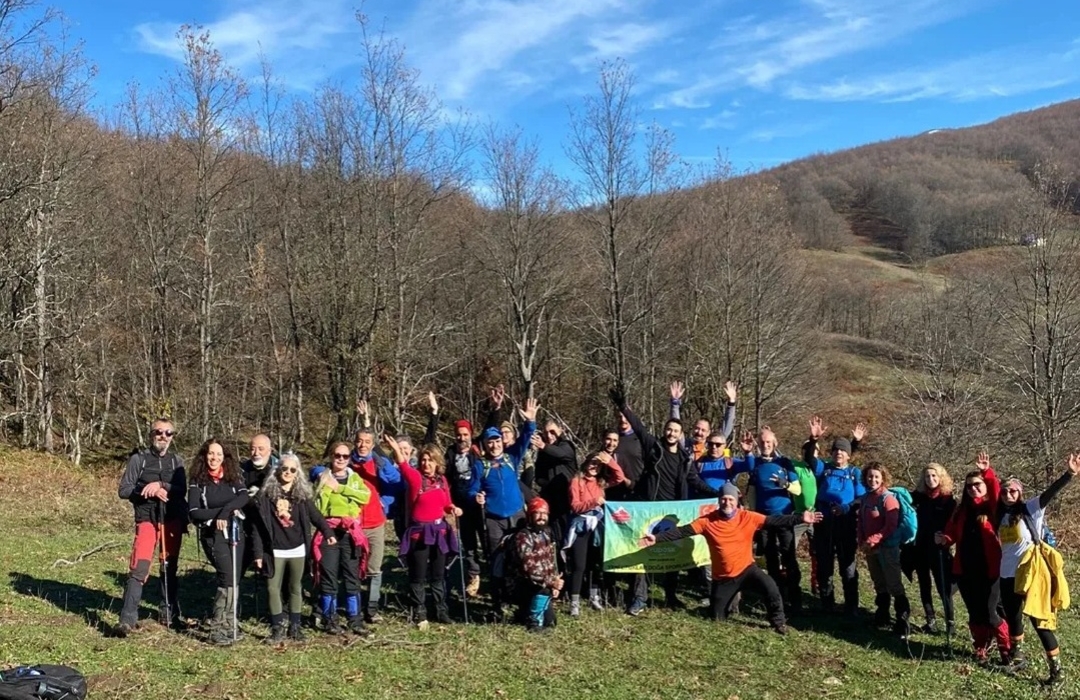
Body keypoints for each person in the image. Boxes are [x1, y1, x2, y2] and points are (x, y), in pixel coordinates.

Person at [640, 483, 823, 634]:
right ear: (719, 501)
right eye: (724, 499)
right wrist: (656, 538)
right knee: (717, 618)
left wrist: (801, 518)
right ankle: (723, 604)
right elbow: (682, 531)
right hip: (724, 578)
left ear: (737, 502)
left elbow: (775, 520)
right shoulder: (707, 521)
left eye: (731, 499)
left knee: (771, 587)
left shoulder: (748, 517)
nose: (727, 502)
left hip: (747, 570)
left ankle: (778, 623)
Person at [609, 387, 719, 615]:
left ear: (681, 435)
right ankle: (639, 598)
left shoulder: (684, 459)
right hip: (649, 508)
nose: (671, 433)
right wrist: (623, 407)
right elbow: (638, 427)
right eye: (669, 429)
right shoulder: (654, 447)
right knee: (645, 554)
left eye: (676, 431)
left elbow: (695, 482)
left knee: (673, 554)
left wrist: (717, 494)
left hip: (672, 510)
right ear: (664, 431)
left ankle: (670, 595)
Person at [996, 453, 1079, 684]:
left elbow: (1051, 493)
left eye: (1012, 491)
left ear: (1020, 492)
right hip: (1006, 574)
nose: (1008, 494)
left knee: (1039, 622)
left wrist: (1069, 474)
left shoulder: (1031, 508)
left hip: (1031, 574)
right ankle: (1018, 656)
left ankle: (1057, 672)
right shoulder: (999, 515)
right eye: (1004, 491)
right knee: (1013, 618)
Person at [935, 453, 1015, 668]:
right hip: (965, 568)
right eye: (969, 486)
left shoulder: (992, 508)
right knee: (974, 612)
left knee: (991, 612)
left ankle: (1006, 650)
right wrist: (944, 538)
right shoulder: (961, 510)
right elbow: (952, 533)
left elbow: (997, 491)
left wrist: (987, 473)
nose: (973, 489)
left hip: (990, 569)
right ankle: (981, 647)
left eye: (977, 484)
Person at [250, 452, 335, 643]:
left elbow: (317, 517)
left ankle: (295, 627)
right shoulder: (264, 497)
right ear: (277, 470)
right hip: (274, 550)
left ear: (297, 474)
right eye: (284, 468)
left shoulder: (302, 497)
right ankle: (277, 627)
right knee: (273, 587)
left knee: (295, 587)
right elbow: (256, 528)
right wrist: (257, 553)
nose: (288, 472)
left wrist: (328, 533)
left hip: (297, 548)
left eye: (292, 470)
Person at [468, 397, 539, 619]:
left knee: (522, 558)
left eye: (497, 440)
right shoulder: (481, 465)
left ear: (502, 441)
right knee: (497, 560)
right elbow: (472, 489)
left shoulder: (512, 458)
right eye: (490, 442)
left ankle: (521, 602)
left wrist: (531, 421)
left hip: (517, 516)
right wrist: (476, 497)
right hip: (494, 519)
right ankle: (497, 604)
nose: (494, 444)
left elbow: (527, 437)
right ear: (485, 445)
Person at [116, 418, 187, 636]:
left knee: (169, 567)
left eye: (168, 433)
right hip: (147, 518)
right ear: (151, 434)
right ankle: (127, 619)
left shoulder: (177, 461)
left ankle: (169, 615)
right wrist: (146, 490)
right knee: (139, 567)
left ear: (172, 437)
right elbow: (124, 490)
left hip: (171, 520)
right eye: (158, 432)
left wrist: (162, 486)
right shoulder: (139, 460)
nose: (163, 436)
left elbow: (182, 488)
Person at [382, 435, 461, 630]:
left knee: (438, 574)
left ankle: (441, 610)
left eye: (430, 460)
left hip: (439, 532)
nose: (426, 463)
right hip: (419, 534)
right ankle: (419, 611)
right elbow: (404, 466)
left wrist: (453, 509)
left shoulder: (442, 481)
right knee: (418, 575)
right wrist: (396, 449)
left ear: (437, 462)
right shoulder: (417, 478)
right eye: (424, 460)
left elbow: (446, 502)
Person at [187, 438, 249, 645]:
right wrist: (222, 514)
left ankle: (230, 623)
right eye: (211, 453)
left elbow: (244, 496)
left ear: (225, 458)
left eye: (219, 454)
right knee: (226, 578)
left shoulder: (232, 477)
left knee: (235, 578)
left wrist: (225, 512)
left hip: (235, 532)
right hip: (213, 535)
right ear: (205, 455)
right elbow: (195, 512)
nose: (215, 458)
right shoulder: (197, 481)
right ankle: (216, 627)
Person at [804, 417, 865, 614]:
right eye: (836, 450)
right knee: (824, 564)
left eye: (843, 451)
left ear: (849, 455)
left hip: (846, 525)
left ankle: (851, 606)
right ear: (831, 453)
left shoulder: (855, 473)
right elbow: (810, 460)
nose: (839, 453)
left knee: (848, 567)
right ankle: (827, 603)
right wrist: (813, 440)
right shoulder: (825, 469)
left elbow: (860, 499)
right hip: (824, 523)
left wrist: (846, 508)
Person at [312, 441, 372, 635]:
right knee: (329, 575)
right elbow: (320, 508)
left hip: (351, 533)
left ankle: (354, 618)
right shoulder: (322, 478)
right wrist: (328, 487)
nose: (341, 459)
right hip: (329, 532)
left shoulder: (355, 479)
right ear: (331, 456)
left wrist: (340, 489)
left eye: (345, 456)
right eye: (337, 455)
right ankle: (330, 618)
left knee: (352, 575)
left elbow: (365, 497)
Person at [746, 427, 804, 613]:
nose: (765, 445)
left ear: (775, 443)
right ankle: (776, 597)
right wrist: (752, 514)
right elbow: (752, 492)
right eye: (762, 442)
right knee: (770, 557)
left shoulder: (785, 463)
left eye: (769, 442)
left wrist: (784, 484)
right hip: (764, 518)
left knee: (789, 556)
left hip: (784, 516)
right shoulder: (755, 463)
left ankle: (795, 599)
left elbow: (797, 490)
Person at [348, 425, 402, 624]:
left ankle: (372, 608)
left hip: (374, 523)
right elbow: (321, 469)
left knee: (374, 567)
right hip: (352, 525)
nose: (362, 445)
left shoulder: (379, 463)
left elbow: (395, 484)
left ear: (373, 444)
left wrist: (384, 504)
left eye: (367, 442)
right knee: (352, 566)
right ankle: (353, 607)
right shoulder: (346, 461)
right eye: (359, 441)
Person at [565, 450, 625, 616]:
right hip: (581, 527)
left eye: (598, 465)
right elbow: (575, 506)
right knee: (579, 565)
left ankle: (594, 596)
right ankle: (574, 602)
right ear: (585, 463)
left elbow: (619, 477)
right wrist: (593, 502)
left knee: (595, 563)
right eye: (592, 463)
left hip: (597, 527)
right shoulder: (576, 481)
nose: (594, 467)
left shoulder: (601, 483)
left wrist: (610, 461)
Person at [858, 463, 912, 638]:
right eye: (869, 476)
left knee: (894, 584)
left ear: (883, 479)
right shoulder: (866, 498)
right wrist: (862, 541)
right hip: (870, 548)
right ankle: (882, 615)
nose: (872, 480)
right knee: (879, 583)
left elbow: (891, 525)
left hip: (888, 548)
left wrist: (874, 540)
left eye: (876, 477)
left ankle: (902, 620)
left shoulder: (888, 499)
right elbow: (861, 522)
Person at [908, 463, 956, 635]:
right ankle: (931, 621)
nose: (931, 479)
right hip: (920, 546)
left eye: (934, 476)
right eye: (927, 476)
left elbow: (953, 525)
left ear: (941, 477)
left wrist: (945, 538)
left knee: (944, 588)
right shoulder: (918, 497)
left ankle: (950, 624)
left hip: (939, 548)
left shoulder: (948, 500)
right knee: (924, 584)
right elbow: (900, 496)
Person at [509, 497, 563, 633]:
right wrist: (551, 583)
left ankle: (523, 614)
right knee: (542, 590)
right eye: (537, 513)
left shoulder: (546, 534)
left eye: (544, 514)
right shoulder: (523, 536)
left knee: (551, 623)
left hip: (541, 584)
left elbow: (551, 562)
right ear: (530, 515)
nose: (541, 517)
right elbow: (529, 569)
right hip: (521, 584)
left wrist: (556, 580)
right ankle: (533, 621)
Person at [532, 420, 577, 567]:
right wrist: (546, 484)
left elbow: (561, 454)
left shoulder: (567, 446)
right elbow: (538, 476)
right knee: (555, 539)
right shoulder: (543, 453)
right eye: (546, 433)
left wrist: (544, 446)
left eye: (552, 431)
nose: (549, 435)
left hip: (568, 502)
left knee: (570, 539)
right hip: (551, 501)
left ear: (561, 430)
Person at [669, 380, 737, 460]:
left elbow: (727, 426)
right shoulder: (685, 445)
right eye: (697, 428)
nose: (699, 432)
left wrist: (731, 403)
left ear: (708, 433)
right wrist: (675, 403)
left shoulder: (713, 446)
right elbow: (676, 426)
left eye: (703, 430)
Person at [240, 434, 279, 574]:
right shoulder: (242, 470)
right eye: (252, 449)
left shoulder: (279, 469)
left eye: (261, 449)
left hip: (272, 527)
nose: (256, 453)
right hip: (246, 526)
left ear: (270, 450)